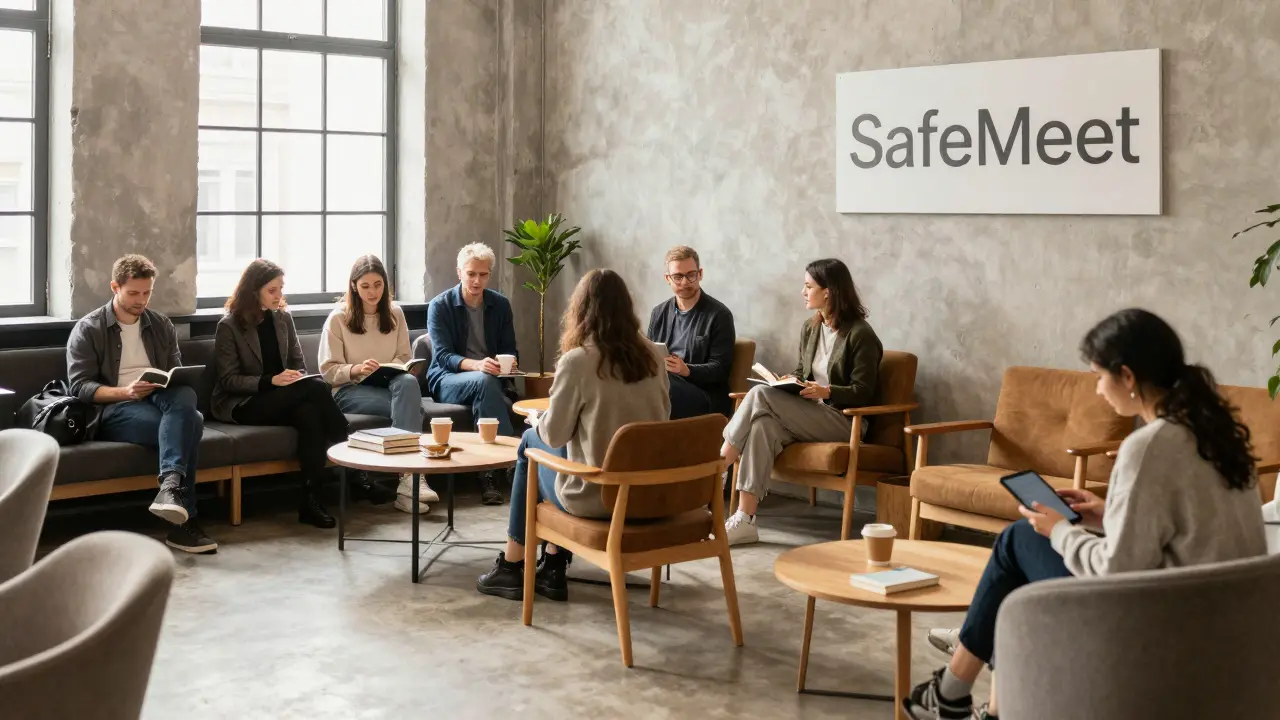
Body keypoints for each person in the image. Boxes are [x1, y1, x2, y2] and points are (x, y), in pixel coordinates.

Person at [903, 308, 1268, 720]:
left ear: (1127, 377)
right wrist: (1104, 514)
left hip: (1162, 623)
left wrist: (1060, 530)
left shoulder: (1149, 445)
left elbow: (1116, 570)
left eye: (1099, 376)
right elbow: (1188, 530)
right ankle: (974, 701)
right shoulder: (1216, 434)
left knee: (1019, 540)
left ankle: (952, 692)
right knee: (1021, 563)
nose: (1098, 390)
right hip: (1226, 621)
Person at [475, 269, 670, 601]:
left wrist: (539, 421)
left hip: (600, 497)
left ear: (581, 310)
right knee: (571, 449)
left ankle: (512, 564)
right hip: (650, 495)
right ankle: (552, 565)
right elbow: (662, 417)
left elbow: (553, 434)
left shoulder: (578, 361)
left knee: (530, 445)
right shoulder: (655, 355)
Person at [720, 258, 882, 546]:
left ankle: (719, 466)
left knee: (758, 396)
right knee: (763, 426)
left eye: (808, 286)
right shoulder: (811, 327)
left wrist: (827, 391)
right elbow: (804, 372)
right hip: (810, 414)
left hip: (843, 420)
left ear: (828, 292)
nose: (803, 292)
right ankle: (746, 519)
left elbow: (864, 391)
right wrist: (789, 381)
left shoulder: (861, 335)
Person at [66, 254, 216, 554]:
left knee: (185, 397)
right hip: (114, 408)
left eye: (147, 292)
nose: (141, 300)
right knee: (193, 423)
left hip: (160, 398)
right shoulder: (89, 328)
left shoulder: (160, 325)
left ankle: (170, 489)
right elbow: (80, 387)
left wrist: (166, 383)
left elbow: (175, 373)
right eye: (133, 293)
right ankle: (182, 522)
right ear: (115, 287)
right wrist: (127, 392)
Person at [212, 259, 349, 529]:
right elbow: (228, 380)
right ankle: (351, 450)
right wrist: (270, 380)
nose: (279, 296)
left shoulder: (283, 318)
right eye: (273, 290)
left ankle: (310, 501)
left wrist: (294, 376)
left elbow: (298, 362)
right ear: (255, 291)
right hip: (245, 402)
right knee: (318, 388)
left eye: (281, 289)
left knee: (309, 413)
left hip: (285, 397)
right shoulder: (229, 326)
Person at [320, 255, 421, 513]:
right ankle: (411, 478)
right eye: (365, 286)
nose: (373, 292)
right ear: (354, 286)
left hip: (388, 384)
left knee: (408, 382)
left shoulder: (395, 313)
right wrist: (357, 368)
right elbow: (328, 371)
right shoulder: (338, 319)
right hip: (349, 391)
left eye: (378, 285)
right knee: (411, 408)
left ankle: (407, 482)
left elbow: (404, 357)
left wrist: (390, 367)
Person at [426, 243, 521, 506]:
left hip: (489, 380)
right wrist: (478, 365)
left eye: (483, 274)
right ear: (459, 273)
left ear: (489, 275)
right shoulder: (440, 306)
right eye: (471, 274)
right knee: (485, 382)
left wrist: (510, 365)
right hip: (447, 378)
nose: (476, 280)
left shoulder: (500, 305)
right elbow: (444, 357)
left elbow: (510, 349)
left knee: (486, 386)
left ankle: (488, 475)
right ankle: (506, 461)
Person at [646, 245, 737, 419]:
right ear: (668, 278)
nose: (685, 282)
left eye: (691, 275)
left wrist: (687, 370)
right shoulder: (659, 313)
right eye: (678, 276)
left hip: (704, 394)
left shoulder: (719, 315)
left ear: (700, 274)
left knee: (662, 383)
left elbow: (720, 368)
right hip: (665, 387)